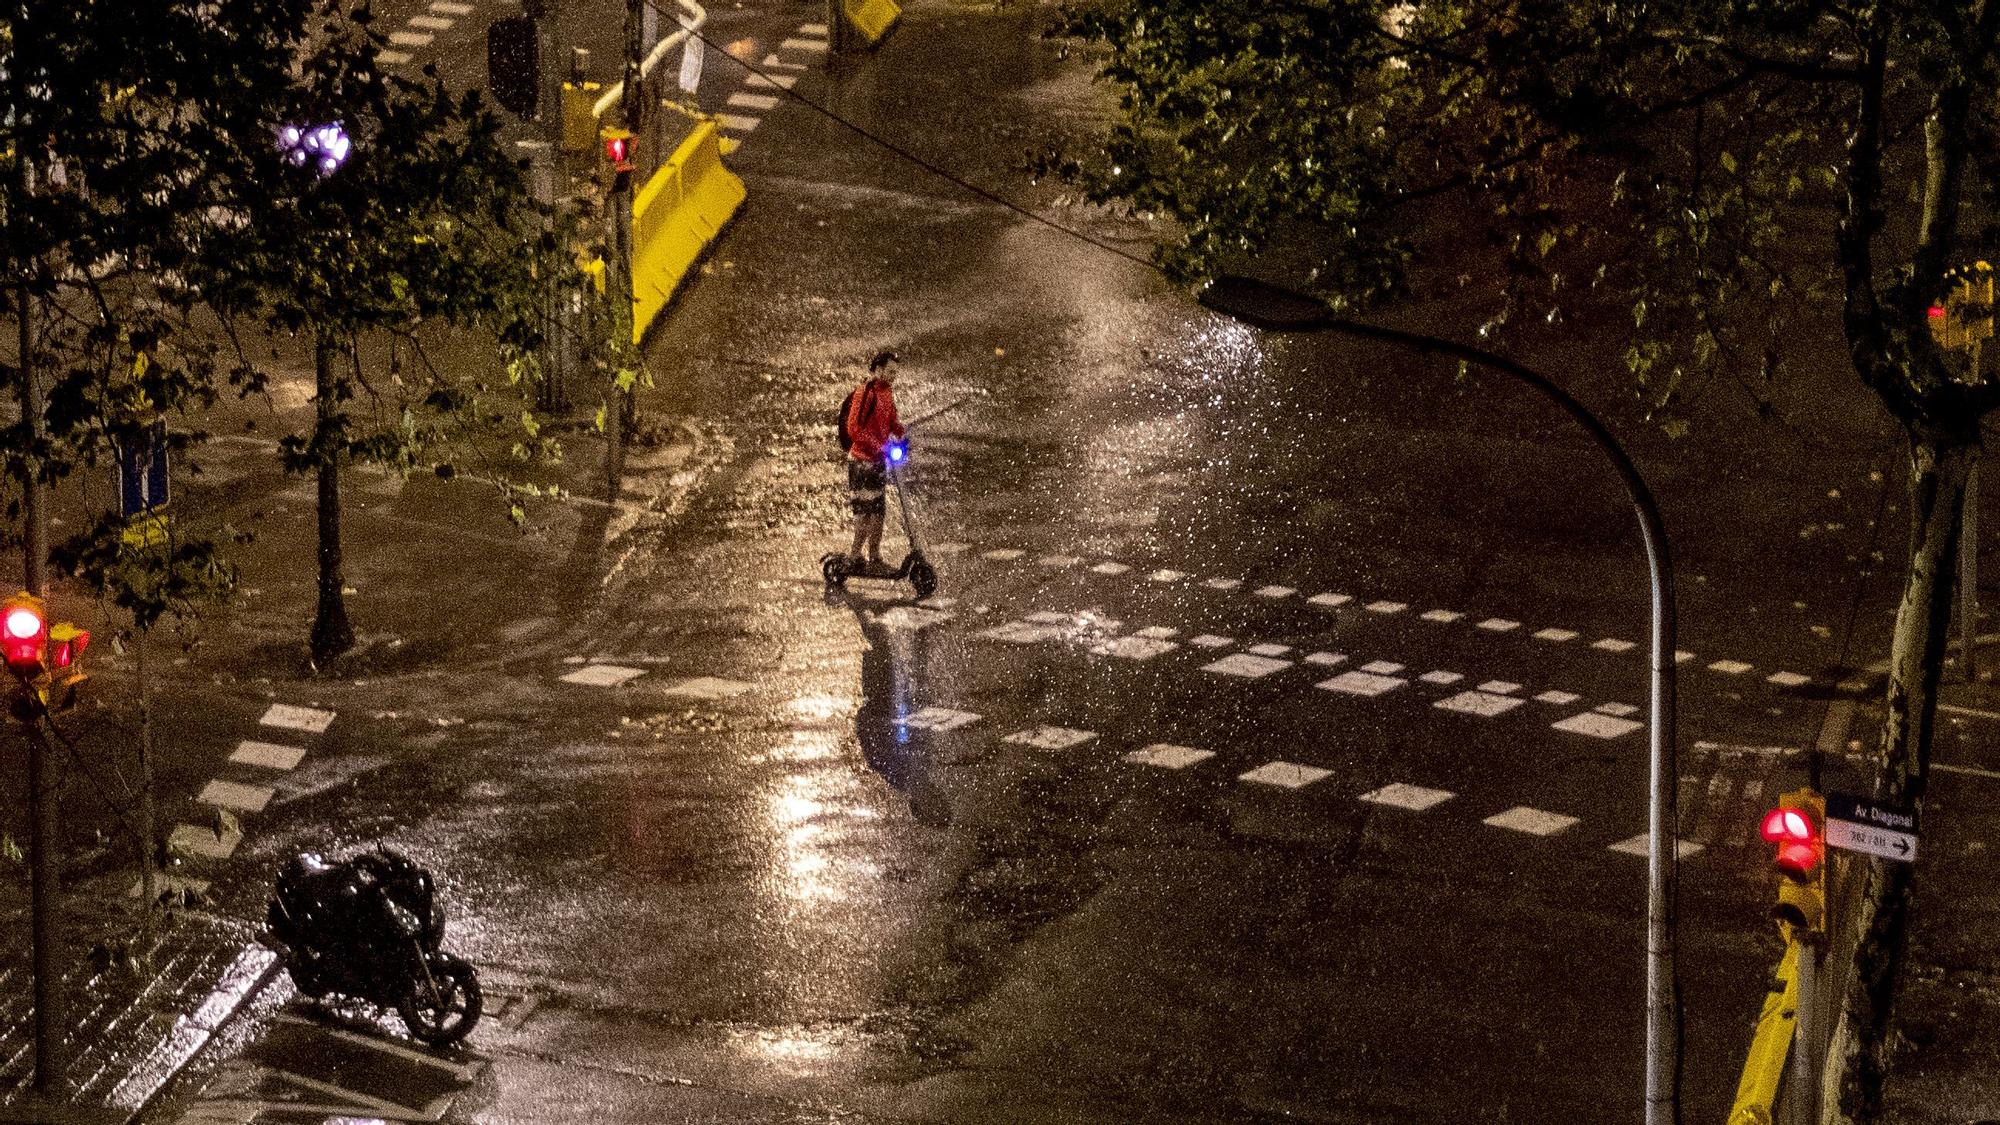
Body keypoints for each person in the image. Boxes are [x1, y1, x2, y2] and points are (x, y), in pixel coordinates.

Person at [844, 350, 907, 572]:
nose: (892, 377)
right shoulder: (865, 393)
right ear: (878, 369)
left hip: (879, 461)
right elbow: (853, 429)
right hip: (861, 463)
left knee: (879, 512)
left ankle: (874, 556)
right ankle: (854, 555)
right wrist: (879, 445)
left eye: (895, 373)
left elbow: (890, 419)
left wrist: (899, 430)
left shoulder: (887, 392)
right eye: (889, 372)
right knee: (865, 513)